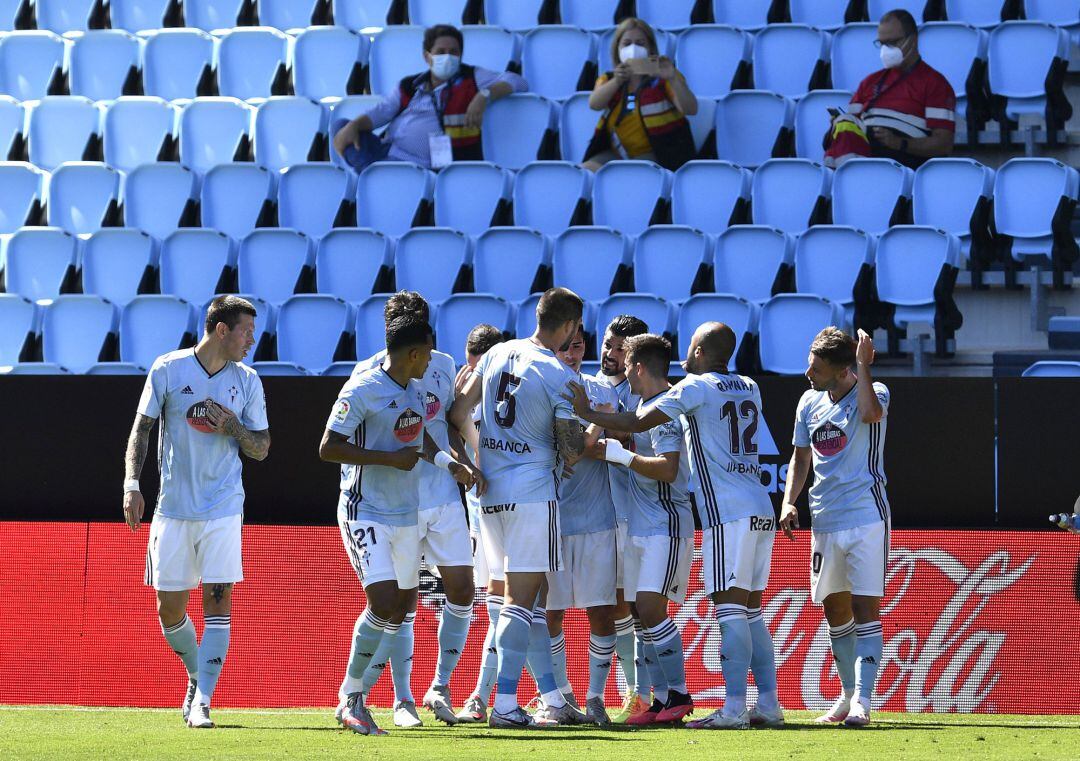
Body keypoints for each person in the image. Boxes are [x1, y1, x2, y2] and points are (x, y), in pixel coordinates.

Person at [565, 322, 781, 730]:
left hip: (717, 513)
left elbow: (642, 427)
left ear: (699, 352)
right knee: (749, 611)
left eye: (691, 347)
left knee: (728, 608)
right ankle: (762, 703)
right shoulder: (749, 385)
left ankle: (729, 707)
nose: (685, 355)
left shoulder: (690, 390)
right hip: (757, 503)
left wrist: (590, 418)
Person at [320, 315, 478, 736]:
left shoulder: (412, 388)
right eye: (428, 352)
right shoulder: (363, 387)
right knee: (385, 603)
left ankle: (355, 698)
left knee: (398, 608)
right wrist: (389, 460)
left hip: (405, 512)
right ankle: (354, 698)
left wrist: (451, 464)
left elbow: (421, 437)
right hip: (365, 510)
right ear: (412, 353)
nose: (433, 361)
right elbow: (328, 447)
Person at [122, 295, 270, 729]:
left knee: (218, 603)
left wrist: (233, 427)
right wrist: (132, 483)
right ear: (220, 330)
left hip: (223, 506)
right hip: (173, 508)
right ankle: (195, 673)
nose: (252, 339)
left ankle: (204, 699)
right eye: (246, 330)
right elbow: (142, 430)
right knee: (169, 609)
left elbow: (261, 449)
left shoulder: (248, 381)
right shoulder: (167, 368)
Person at [448, 287, 588, 728]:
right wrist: (590, 429)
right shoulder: (558, 373)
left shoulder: (496, 353)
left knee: (511, 601)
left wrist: (476, 459)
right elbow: (570, 450)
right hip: (531, 493)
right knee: (522, 603)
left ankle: (550, 696)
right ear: (569, 327)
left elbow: (457, 412)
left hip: (489, 494)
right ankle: (505, 703)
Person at [778, 328, 889, 728]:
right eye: (810, 363)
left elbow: (870, 414)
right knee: (833, 610)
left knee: (865, 608)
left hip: (865, 517)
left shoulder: (875, 392)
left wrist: (863, 365)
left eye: (817, 368)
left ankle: (864, 699)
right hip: (824, 520)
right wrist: (790, 500)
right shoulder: (808, 402)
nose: (809, 373)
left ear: (843, 369)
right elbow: (800, 457)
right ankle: (845, 695)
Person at [593, 333, 695, 727]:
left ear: (637, 367)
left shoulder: (667, 408)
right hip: (641, 524)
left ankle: (680, 695)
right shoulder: (643, 405)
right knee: (639, 614)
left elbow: (668, 469)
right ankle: (661, 699)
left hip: (665, 523)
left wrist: (622, 454)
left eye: (627, 365)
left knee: (651, 608)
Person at [545, 323, 620, 725]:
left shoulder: (602, 391)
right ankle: (562, 697)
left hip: (596, 518)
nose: (570, 355)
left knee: (601, 612)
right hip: (553, 519)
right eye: (563, 348)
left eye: (576, 347)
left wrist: (590, 428)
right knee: (551, 614)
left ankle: (595, 697)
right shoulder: (540, 389)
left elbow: (594, 448)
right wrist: (595, 426)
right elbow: (572, 450)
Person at [332, 24, 528, 171]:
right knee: (341, 125)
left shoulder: (473, 77)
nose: (448, 57)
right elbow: (382, 112)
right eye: (440, 52)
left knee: (363, 158)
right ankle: (374, 173)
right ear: (427, 57)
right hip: (387, 150)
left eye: (454, 52)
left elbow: (517, 81)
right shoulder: (410, 84)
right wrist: (354, 126)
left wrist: (483, 96)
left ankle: (372, 175)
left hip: (423, 165)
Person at [596, 314, 650, 721]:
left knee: (636, 605)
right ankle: (633, 692)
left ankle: (643, 692)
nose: (609, 353)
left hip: (634, 513)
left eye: (619, 348)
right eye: (607, 343)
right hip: (596, 513)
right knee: (612, 606)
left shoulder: (642, 396)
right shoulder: (587, 385)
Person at [454, 323, 507, 724]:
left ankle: (486, 695)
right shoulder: (463, 389)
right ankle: (488, 695)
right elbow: (448, 430)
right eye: (469, 367)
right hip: (478, 511)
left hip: (517, 506)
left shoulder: (513, 387)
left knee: (519, 606)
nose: (474, 377)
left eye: (479, 368)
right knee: (499, 607)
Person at [839, 8, 955, 169]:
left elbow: (943, 144)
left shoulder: (935, 83)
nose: (886, 50)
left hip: (906, 168)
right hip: (865, 165)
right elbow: (851, 127)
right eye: (882, 44)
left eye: (892, 43)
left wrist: (899, 143)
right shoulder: (869, 82)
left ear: (913, 40)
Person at [583, 17, 698, 172]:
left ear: (650, 48)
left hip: (658, 152)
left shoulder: (664, 77)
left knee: (633, 172)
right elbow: (594, 104)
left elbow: (691, 109)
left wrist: (673, 78)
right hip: (617, 152)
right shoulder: (609, 79)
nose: (633, 48)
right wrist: (617, 81)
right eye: (627, 43)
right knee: (586, 170)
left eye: (640, 43)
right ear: (617, 48)